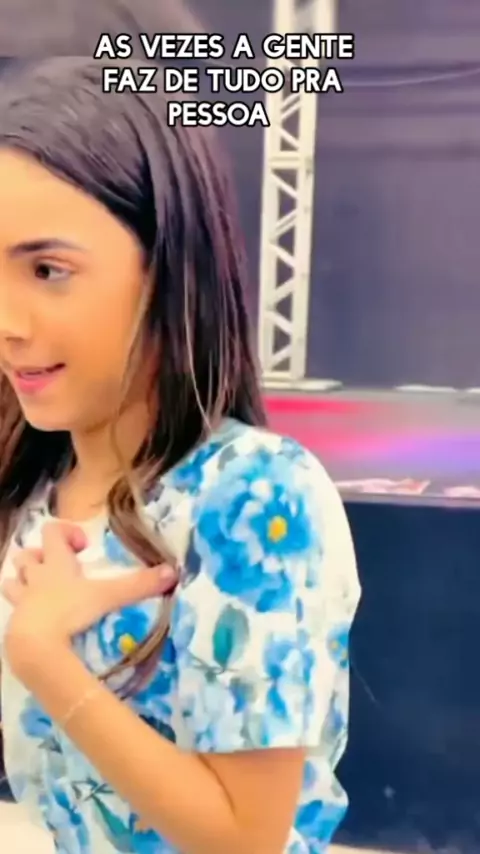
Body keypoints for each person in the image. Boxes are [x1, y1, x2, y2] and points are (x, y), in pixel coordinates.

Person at [0, 56, 360, 854]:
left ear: (166, 267)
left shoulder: (254, 495)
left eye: (48, 270)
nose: (8, 322)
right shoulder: (34, 489)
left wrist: (46, 659)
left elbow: (245, 838)